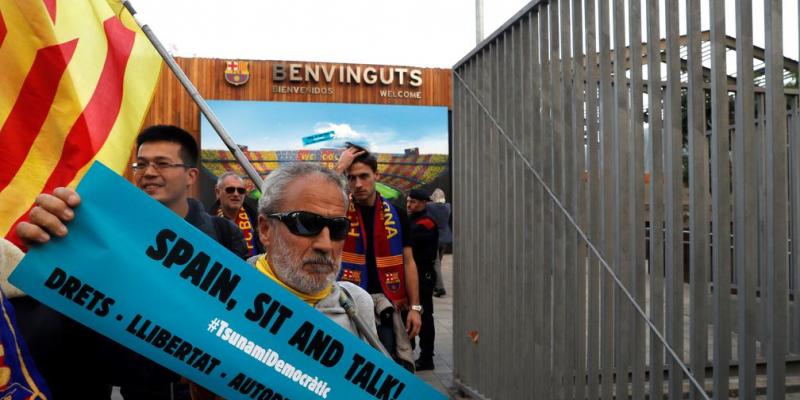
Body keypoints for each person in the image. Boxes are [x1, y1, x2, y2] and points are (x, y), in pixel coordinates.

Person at [14, 125, 248, 399]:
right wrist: (50, 251)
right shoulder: (102, 232)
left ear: (191, 175)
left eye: (162, 164)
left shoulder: (223, 234)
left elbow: (241, 320)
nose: (148, 173)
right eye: (141, 164)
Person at [191, 163, 377, 399]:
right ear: (266, 230)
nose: (325, 244)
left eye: (338, 227)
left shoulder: (357, 303)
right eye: (306, 224)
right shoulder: (222, 301)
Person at [335, 145, 422, 370]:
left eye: (364, 176)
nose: (358, 184)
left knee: (389, 365)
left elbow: (409, 262)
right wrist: (338, 168)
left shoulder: (398, 215)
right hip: (348, 301)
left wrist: (415, 308)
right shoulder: (338, 211)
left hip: (387, 305)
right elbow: (312, 201)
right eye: (351, 178)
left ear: (377, 175)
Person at [405, 189, 438, 371]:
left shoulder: (426, 223)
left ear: (425, 203)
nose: (410, 205)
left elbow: (411, 243)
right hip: (412, 274)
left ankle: (427, 357)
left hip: (423, 275)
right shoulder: (412, 220)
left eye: (414, 202)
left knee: (424, 316)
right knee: (407, 313)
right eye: (409, 201)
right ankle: (409, 349)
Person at [209, 171, 264, 257]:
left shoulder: (256, 220)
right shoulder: (207, 223)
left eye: (241, 190)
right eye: (230, 190)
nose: (236, 194)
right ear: (217, 192)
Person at [426, 188, 452, 297]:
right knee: (438, 263)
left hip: (435, 238)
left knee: (435, 263)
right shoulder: (447, 207)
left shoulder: (430, 207)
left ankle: (440, 287)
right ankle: (436, 283)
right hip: (445, 238)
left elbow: (428, 203)